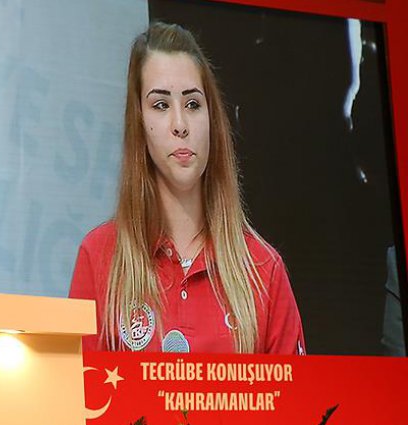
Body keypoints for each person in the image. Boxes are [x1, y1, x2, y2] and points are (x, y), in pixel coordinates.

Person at [69, 23, 305, 354]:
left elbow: (300, 390)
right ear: (139, 123)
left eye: (193, 104)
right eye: (161, 105)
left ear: (212, 120)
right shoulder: (99, 257)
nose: (180, 125)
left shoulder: (263, 268)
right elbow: (76, 386)